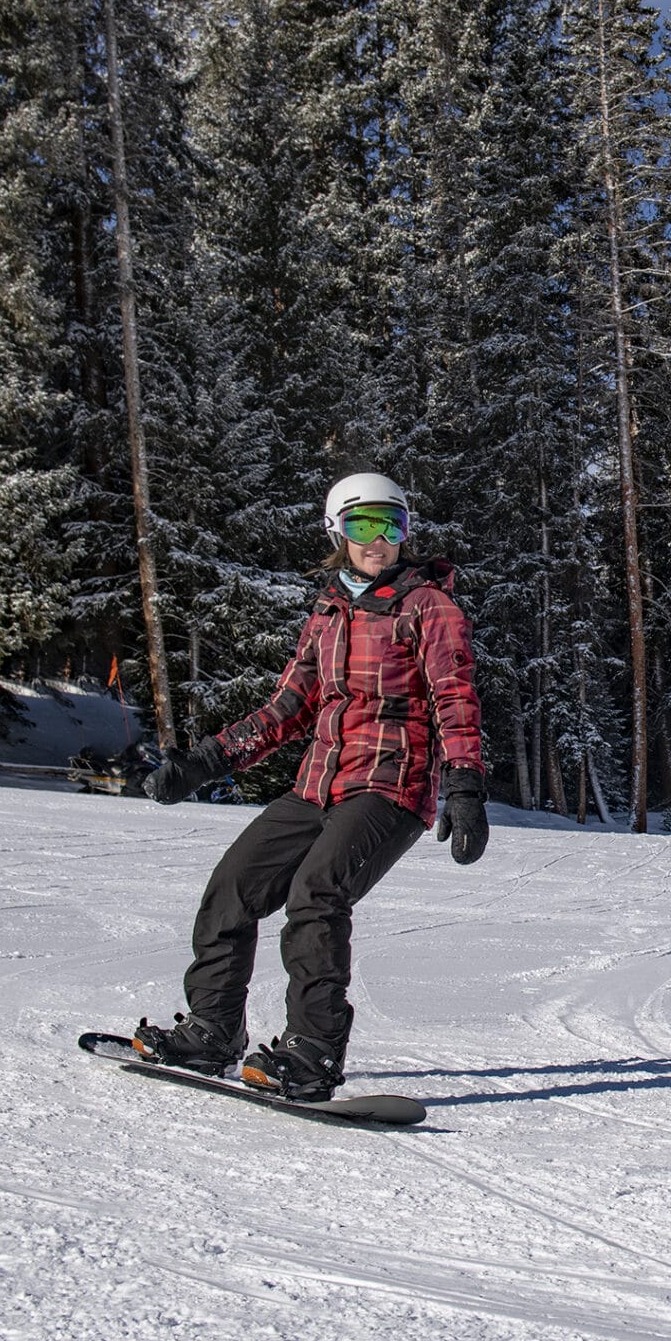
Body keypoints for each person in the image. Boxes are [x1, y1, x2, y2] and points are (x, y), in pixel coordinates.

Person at [130, 472, 489, 1101]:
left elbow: (454, 698)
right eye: (362, 524)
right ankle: (214, 1030)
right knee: (232, 890)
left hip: (390, 787)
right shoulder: (328, 611)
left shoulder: (430, 607)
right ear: (337, 531)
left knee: (316, 894)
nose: (378, 539)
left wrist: (464, 784)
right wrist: (202, 763)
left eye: (392, 525)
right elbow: (286, 709)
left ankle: (314, 1051)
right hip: (318, 785)